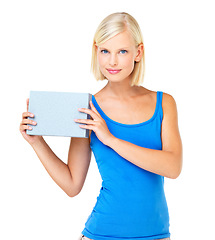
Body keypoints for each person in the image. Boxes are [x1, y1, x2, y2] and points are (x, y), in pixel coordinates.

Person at [20, 12, 182, 240]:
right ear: (96, 51)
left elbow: (173, 167)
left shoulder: (164, 103)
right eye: (105, 51)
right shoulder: (86, 109)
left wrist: (111, 139)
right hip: (101, 233)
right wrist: (37, 143)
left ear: (138, 52)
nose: (112, 61)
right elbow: (72, 185)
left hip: (156, 235)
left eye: (122, 51)